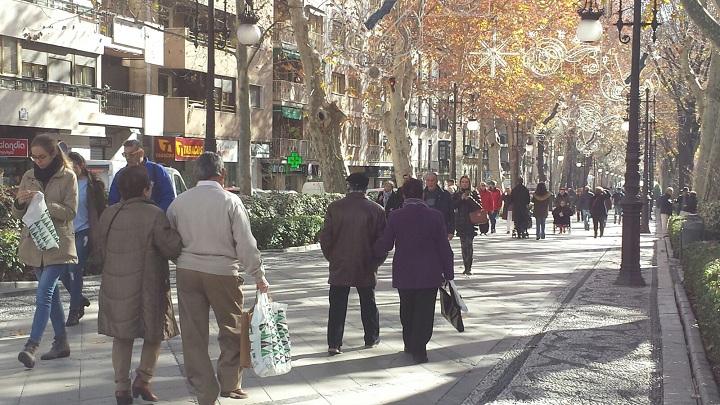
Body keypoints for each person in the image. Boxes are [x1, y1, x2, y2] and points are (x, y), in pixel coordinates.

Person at [167, 152, 270, 404]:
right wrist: (258, 275)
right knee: (232, 328)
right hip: (223, 272)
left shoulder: (179, 202)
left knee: (193, 334)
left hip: (187, 271)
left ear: (196, 174)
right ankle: (230, 383)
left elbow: (168, 238)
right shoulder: (230, 201)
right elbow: (245, 243)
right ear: (222, 174)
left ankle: (205, 389)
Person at [96, 166, 182, 405]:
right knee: (154, 333)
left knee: (121, 337)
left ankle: (121, 389)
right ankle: (143, 378)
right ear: (147, 188)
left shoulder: (109, 214)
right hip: (149, 285)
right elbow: (172, 248)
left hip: (115, 285)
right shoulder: (154, 214)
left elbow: (99, 249)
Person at [14, 135, 78, 369]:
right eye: (34, 157)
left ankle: (32, 345)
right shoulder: (28, 176)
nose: (37, 161)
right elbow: (17, 214)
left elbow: (71, 212)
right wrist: (20, 203)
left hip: (58, 245)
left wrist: (42, 203)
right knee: (52, 297)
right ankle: (61, 343)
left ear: (53, 155)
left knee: (44, 293)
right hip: (35, 243)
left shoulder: (68, 176)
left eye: (42, 157)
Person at [374, 178, 454, 364]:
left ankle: (409, 342)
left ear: (403, 195)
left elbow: (385, 244)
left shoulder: (395, 216)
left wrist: (370, 250)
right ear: (422, 194)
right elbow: (444, 247)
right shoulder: (435, 216)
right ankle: (420, 349)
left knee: (407, 308)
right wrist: (448, 273)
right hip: (429, 271)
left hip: (404, 270)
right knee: (425, 311)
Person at [319, 173, 386, 355]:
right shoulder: (377, 209)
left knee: (337, 305)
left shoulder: (335, 207)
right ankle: (371, 337)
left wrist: (332, 258)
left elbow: (325, 238)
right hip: (366, 262)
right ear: (366, 187)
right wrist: (375, 262)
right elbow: (383, 242)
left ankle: (334, 343)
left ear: (349, 186)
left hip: (340, 263)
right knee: (368, 302)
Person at [59, 152, 106, 327]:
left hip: (85, 230)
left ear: (81, 164)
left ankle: (74, 311)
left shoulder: (93, 185)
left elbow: (101, 209)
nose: (73, 168)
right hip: (66, 232)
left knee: (75, 269)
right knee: (62, 271)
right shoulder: (64, 182)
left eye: (75, 165)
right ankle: (79, 299)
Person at [108, 139, 175, 211]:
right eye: (125, 155)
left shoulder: (157, 171)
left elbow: (168, 197)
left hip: (152, 218)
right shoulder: (120, 174)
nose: (128, 158)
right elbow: (113, 200)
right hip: (128, 218)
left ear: (141, 153)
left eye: (131, 154)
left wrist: (155, 214)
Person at [452, 176, 482, 275]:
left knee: (469, 245)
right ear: (460, 183)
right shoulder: (456, 194)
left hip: (471, 222)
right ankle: (465, 265)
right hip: (460, 223)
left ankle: (468, 267)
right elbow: (452, 206)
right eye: (463, 182)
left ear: (469, 183)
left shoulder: (474, 193)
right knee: (463, 246)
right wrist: (461, 199)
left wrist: (469, 199)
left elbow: (479, 207)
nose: (464, 184)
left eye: (466, 182)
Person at [423, 172, 455, 239]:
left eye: (432, 180)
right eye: (428, 180)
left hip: (441, 228)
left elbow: (451, 213)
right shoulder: (421, 195)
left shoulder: (445, 195)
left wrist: (451, 231)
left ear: (436, 181)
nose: (430, 183)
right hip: (425, 228)